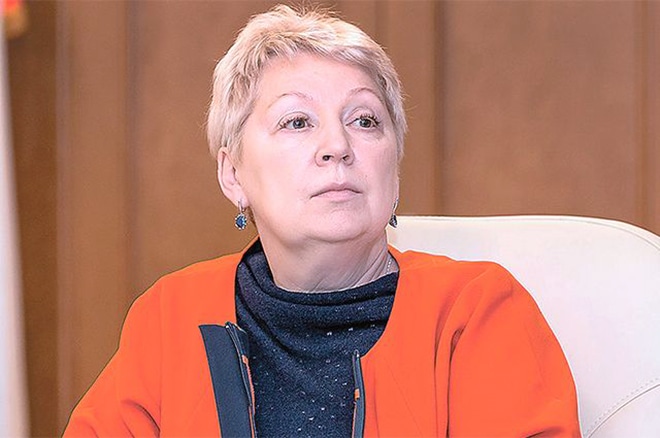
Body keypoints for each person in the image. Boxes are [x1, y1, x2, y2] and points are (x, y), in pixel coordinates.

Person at [64, 4, 580, 437]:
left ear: (394, 166)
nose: (337, 145)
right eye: (297, 121)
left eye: (365, 120)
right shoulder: (168, 317)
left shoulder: (476, 312)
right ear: (233, 175)